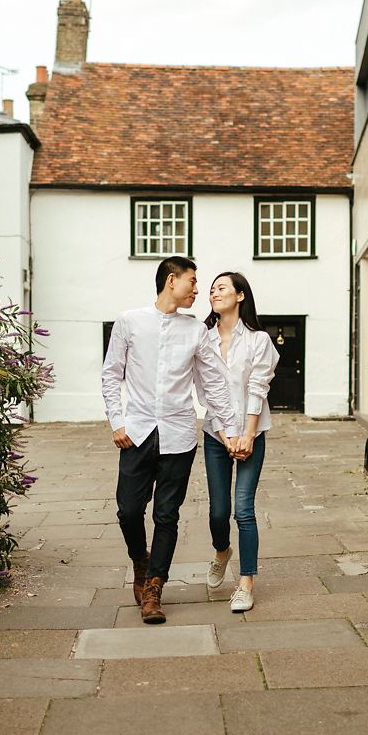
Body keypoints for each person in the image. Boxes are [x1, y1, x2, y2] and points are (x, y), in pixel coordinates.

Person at [101, 256, 239, 624]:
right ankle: (139, 560)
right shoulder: (130, 321)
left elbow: (213, 384)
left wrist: (228, 428)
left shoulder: (196, 331)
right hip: (137, 432)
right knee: (128, 511)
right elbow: (111, 374)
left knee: (167, 515)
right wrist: (117, 421)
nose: (198, 289)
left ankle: (153, 589)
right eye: (193, 281)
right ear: (171, 280)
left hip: (179, 435)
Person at [198, 272, 279, 612]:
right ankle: (221, 551)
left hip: (252, 433)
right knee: (219, 513)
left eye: (222, 288)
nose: (214, 293)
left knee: (243, 509)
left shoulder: (259, 340)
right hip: (217, 435)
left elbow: (258, 388)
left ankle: (246, 583)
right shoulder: (202, 338)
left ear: (240, 295)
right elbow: (205, 392)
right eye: (211, 289)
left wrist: (246, 434)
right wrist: (225, 435)